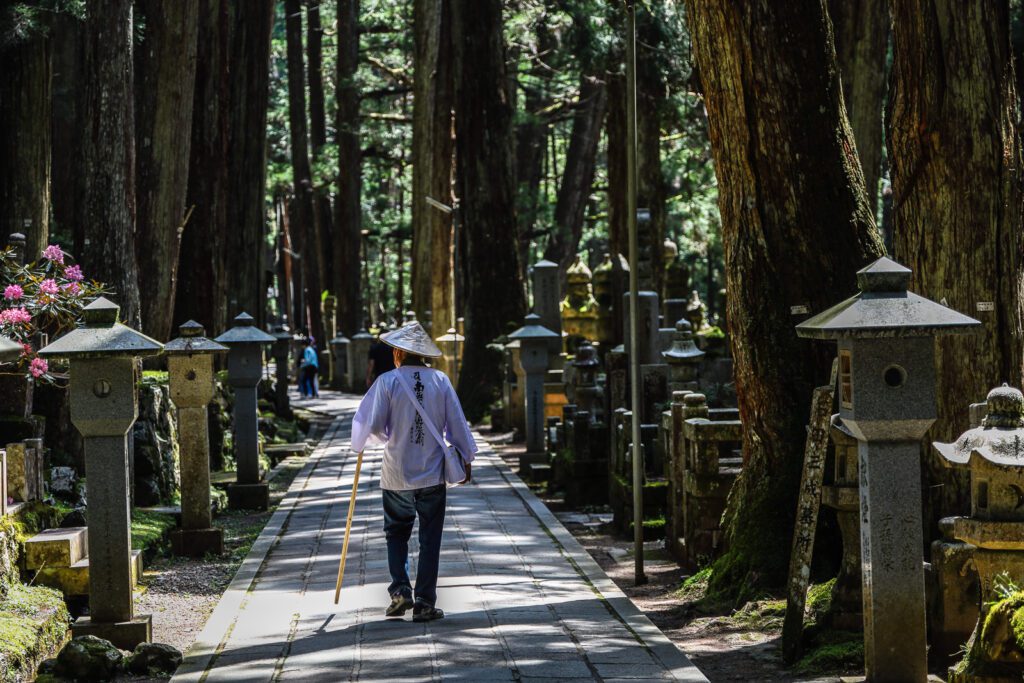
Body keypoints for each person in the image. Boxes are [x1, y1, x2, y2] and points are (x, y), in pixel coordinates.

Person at [350, 321, 477, 622]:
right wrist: (467, 458)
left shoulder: (387, 382)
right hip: (431, 473)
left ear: (398, 353)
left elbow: (373, 427)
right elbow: (457, 423)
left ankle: (400, 591)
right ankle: (424, 603)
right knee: (430, 538)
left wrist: (369, 440)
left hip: (397, 473)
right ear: (423, 354)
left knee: (396, 533)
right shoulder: (440, 381)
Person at [366, 324, 396, 388]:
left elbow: (371, 364)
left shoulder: (374, 348)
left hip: (379, 376)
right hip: (393, 377)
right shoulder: (394, 349)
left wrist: (368, 377)